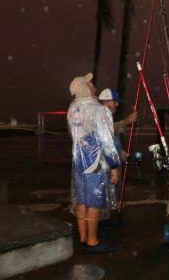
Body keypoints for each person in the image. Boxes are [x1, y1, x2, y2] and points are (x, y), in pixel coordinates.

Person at [67, 73, 120, 253]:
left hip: (78, 159)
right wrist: (113, 165)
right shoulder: (99, 109)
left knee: (81, 199)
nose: (93, 85)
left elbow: (75, 135)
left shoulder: (73, 108)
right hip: (94, 160)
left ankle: (82, 238)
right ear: (85, 87)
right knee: (94, 202)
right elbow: (106, 140)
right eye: (90, 83)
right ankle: (92, 241)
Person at [98, 88, 137, 213]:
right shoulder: (101, 115)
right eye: (115, 101)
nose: (117, 104)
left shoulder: (106, 115)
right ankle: (107, 222)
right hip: (107, 165)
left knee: (112, 195)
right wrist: (127, 121)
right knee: (107, 195)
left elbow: (110, 137)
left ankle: (110, 213)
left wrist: (119, 151)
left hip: (112, 161)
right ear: (109, 101)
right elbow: (105, 135)